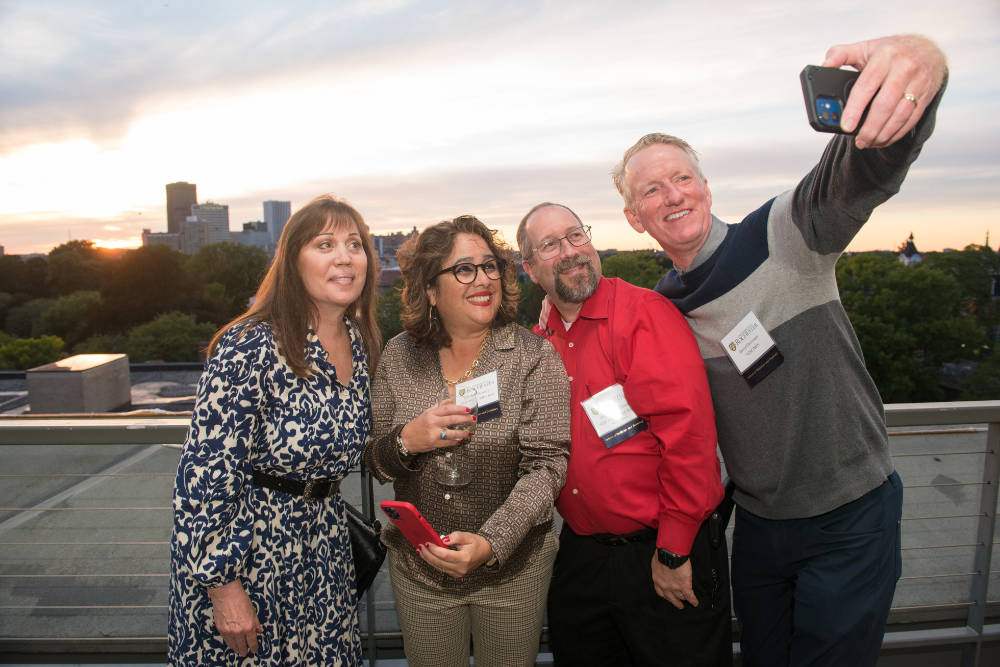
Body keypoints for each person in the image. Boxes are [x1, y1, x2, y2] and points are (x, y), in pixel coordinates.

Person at [610, 35, 947, 667]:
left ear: (706, 187)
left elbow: (860, 170)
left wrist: (920, 68)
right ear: (634, 218)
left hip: (849, 516)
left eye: (682, 177)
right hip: (760, 530)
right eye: (652, 190)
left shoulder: (784, 233)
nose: (673, 195)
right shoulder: (662, 310)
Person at [168, 195, 382, 665]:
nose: (345, 257)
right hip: (251, 557)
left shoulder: (362, 344)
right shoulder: (250, 348)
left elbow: (350, 445)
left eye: (355, 244)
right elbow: (203, 478)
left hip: (323, 554)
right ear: (293, 260)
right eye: (325, 244)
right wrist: (224, 588)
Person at [517, 202, 732, 666]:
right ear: (530, 269)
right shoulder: (540, 340)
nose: (571, 252)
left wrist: (673, 551)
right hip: (583, 556)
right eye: (551, 245)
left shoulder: (644, 315)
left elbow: (689, 438)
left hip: (663, 551)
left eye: (576, 235)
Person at [364, 215, 571, 667]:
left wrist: (492, 543)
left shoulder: (533, 356)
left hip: (512, 571)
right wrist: (407, 441)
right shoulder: (400, 355)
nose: (483, 280)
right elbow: (375, 461)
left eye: (490, 266)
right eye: (463, 269)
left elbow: (548, 465)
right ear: (431, 291)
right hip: (421, 571)